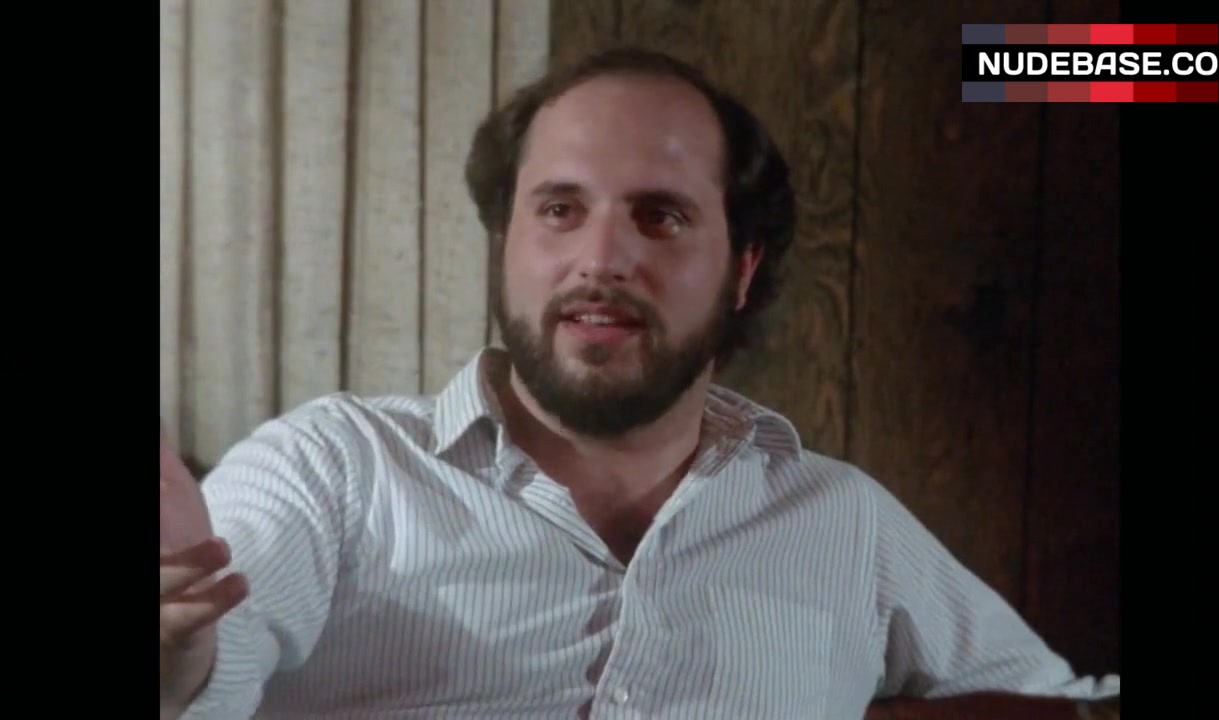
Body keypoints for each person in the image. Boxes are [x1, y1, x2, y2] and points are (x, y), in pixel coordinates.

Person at [160, 47, 1120, 719]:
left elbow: (1062, 707)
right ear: (504, 245)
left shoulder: (846, 523)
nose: (601, 258)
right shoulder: (332, 466)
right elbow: (208, 656)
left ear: (741, 270)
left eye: (659, 217)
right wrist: (179, 642)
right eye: (559, 210)